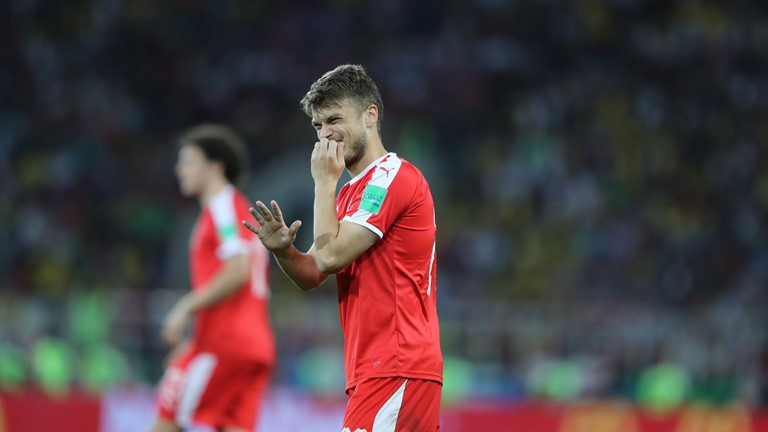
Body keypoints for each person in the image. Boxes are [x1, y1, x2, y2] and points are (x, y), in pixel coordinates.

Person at [243, 65, 442, 431]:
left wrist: (323, 184)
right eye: (318, 126)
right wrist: (284, 252)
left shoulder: (391, 177)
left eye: (334, 119)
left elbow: (330, 256)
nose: (326, 135)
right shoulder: (351, 192)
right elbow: (313, 273)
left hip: (396, 365)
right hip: (375, 369)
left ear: (370, 115)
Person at [153, 124, 275, 432]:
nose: (179, 168)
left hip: (224, 345)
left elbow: (238, 269)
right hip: (253, 346)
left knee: (167, 422)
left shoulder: (223, 206)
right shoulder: (238, 208)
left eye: (189, 160)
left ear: (215, 166)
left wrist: (185, 307)